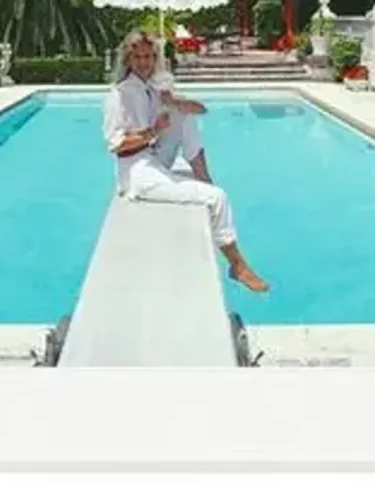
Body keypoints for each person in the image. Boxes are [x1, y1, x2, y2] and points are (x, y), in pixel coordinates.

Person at [102, 29, 269, 293]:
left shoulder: (153, 88)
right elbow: (116, 145)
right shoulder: (120, 94)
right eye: (138, 58)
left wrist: (174, 101)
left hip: (156, 157)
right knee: (217, 198)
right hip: (137, 172)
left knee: (184, 115)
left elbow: (201, 110)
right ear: (128, 60)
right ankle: (238, 265)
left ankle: (203, 177)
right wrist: (152, 132)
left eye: (148, 57)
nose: (144, 63)